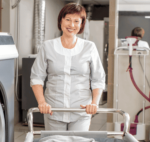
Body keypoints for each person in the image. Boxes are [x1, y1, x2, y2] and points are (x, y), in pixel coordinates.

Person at [30, 3, 105, 131]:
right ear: (61, 21)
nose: (72, 25)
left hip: (81, 111)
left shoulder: (89, 47)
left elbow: (98, 79)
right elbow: (36, 77)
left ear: (82, 24)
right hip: (54, 110)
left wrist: (94, 103)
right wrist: (42, 102)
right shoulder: (47, 46)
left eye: (77, 21)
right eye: (68, 20)